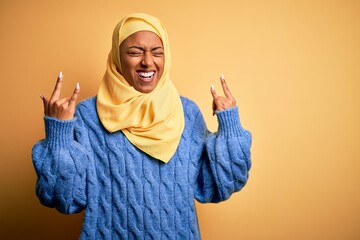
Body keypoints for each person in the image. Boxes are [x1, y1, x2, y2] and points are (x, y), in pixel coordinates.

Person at [32, 13, 252, 240]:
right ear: (117, 58)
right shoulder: (88, 116)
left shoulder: (187, 113)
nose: (148, 61)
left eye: (157, 52)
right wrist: (58, 134)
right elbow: (63, 198)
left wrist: (230, 126)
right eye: (135, 52)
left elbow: (220, 185)